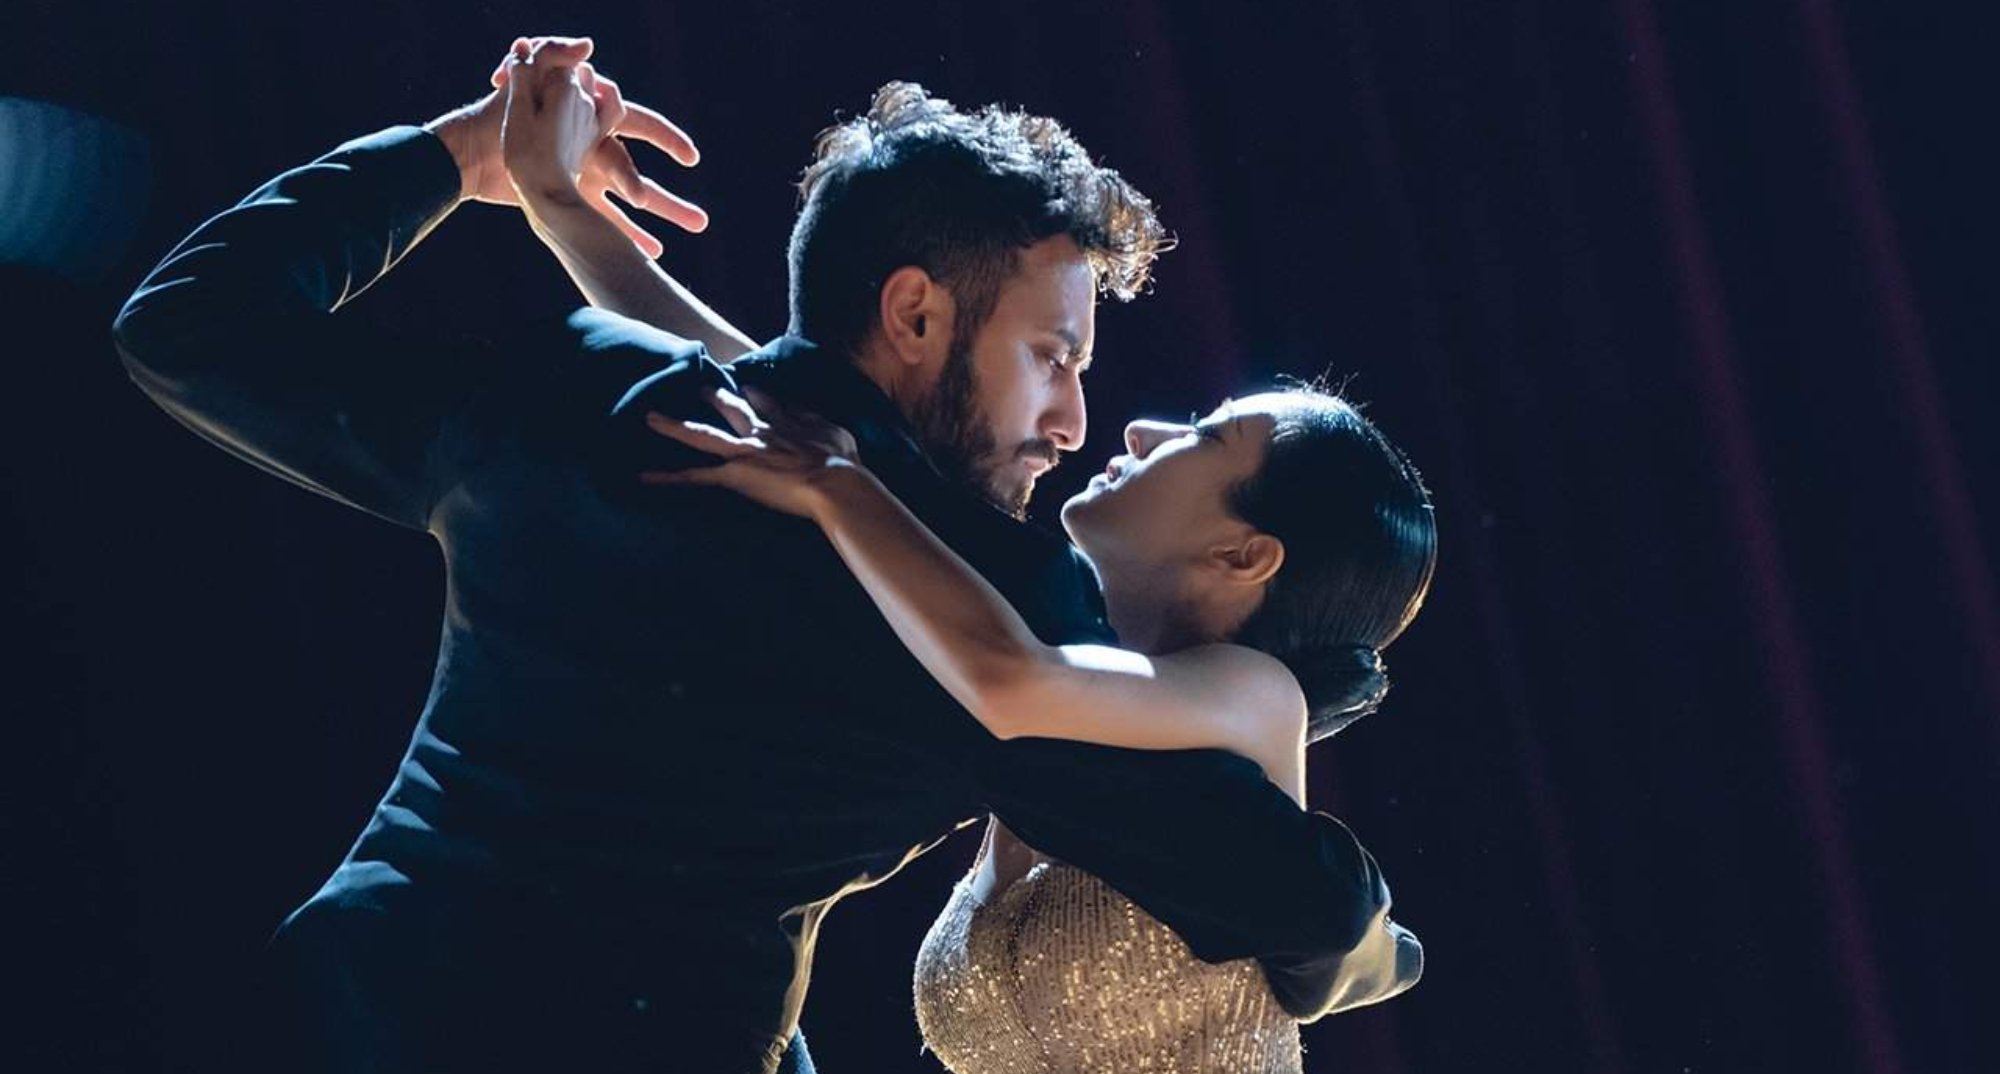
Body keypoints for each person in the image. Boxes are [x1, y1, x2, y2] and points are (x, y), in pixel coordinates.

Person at [112, 36, 1414, 1074]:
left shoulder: (586, 389)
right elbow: (1293, 904)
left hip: (344, 1008)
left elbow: (185, 327)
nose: (1072, 422)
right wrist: (1370, 937)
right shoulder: (981, 598)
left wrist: (461, 157)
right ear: (915, 312)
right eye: (1051, 356)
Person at [646, 377, 1434, 1072]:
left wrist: (838, 486)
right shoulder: (1063, 712)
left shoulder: (1258, 696)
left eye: (1203, 435)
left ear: (1244, 555)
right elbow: (784, 400)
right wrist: (591, 255)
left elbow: (1008, 677)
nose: (1141, 429)